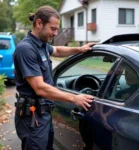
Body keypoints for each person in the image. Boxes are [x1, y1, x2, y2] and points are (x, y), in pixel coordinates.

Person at [14, 5, 95, 150]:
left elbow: (57, 50)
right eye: (53, 28)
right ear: (39, 23)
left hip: (43, 115)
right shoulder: (26, 49)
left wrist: (80, 49)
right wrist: (74, 98)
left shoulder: (42, 44)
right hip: (32, 118)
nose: (56, 33)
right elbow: (39, 88)